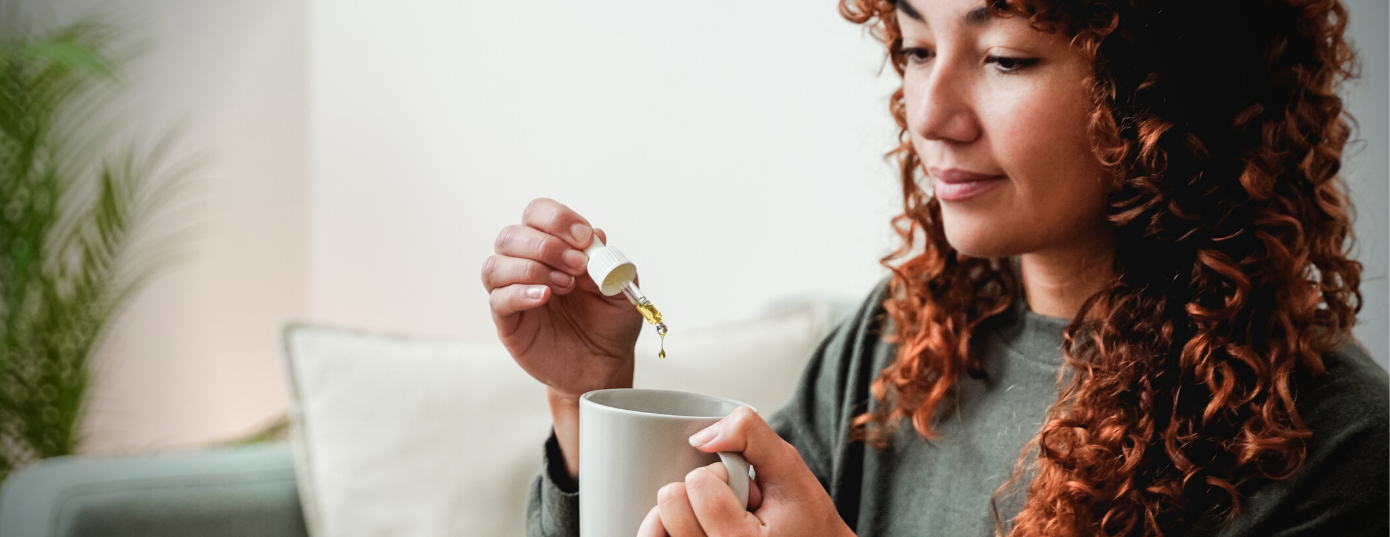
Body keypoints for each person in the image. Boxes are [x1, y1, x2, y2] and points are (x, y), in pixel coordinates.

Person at [480, 0, 1390, 534]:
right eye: (916, 48)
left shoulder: (1328, 445)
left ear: (1165, 86)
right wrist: (594, 399)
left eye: (1005, 57)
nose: (930, 113)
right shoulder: (899, 344)